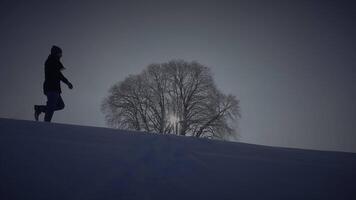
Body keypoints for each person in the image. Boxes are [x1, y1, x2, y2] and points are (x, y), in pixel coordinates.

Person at [34, 45, 73, 122]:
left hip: (55, 88)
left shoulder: (54, 61)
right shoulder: (51, 61)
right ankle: (47, 123)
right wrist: (67, 82)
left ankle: (40, 109)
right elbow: (58, 75)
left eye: (60, 54)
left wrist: (67, 82)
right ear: (55, 53)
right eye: (59, 54)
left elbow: (58, 74)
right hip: (51, 87)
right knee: (51, 106)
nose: (60, 56)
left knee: (61, 105)